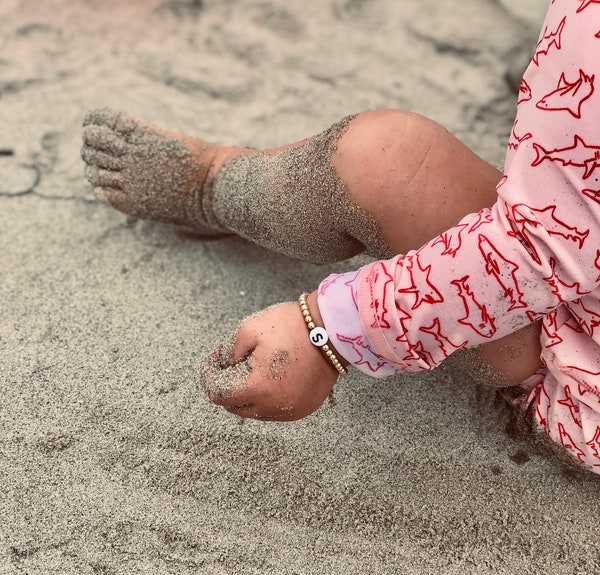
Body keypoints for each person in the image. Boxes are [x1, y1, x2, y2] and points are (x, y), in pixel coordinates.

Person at [81, 0, 600, 473]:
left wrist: (329, 332)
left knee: (382, 159)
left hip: (577, 378)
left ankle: (214, 185)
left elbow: (540, 248)